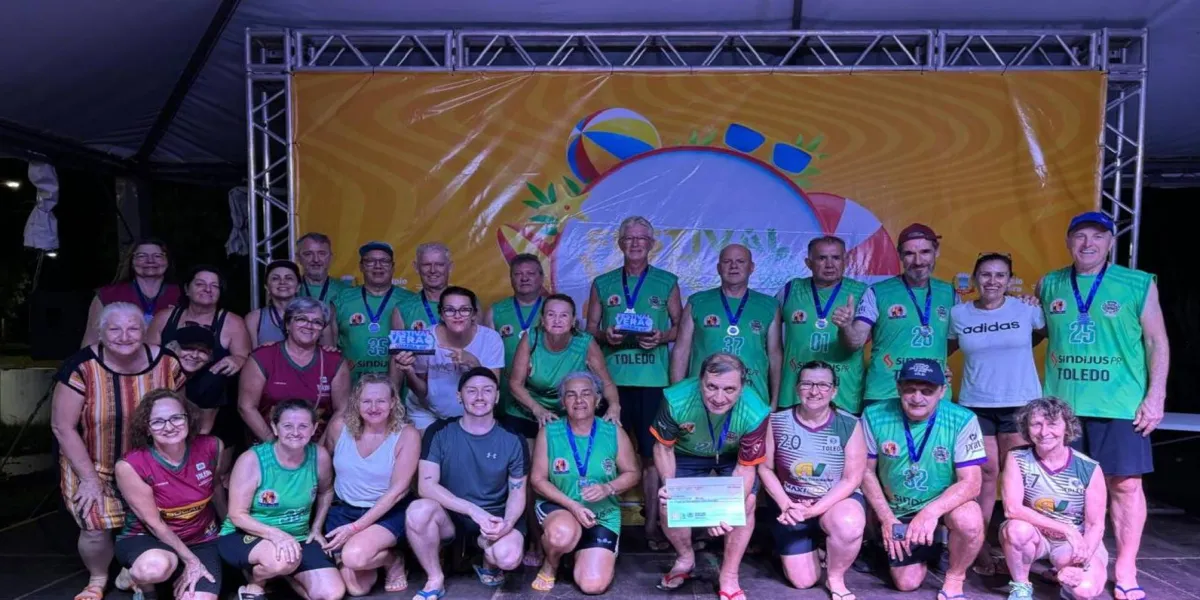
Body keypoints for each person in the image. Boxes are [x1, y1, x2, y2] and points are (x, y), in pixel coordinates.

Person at [1036, 211, 1169, 600]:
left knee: (1125, 485)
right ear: (1068, 241)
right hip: (1063, 408)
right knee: (1066, 488)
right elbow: (1035, 331)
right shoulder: (1048, 284)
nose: (1088, 243)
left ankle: (1126, 566)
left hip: (1120, 404)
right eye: (1080, 236)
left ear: (1111, 242)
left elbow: (1156, 341)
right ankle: (1077, 558)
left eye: (1098, 236)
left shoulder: (1137, 283)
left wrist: (1156, 396)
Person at [51, 302, 186, 600]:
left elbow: (179, 413)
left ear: (145, 331)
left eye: (133, 328)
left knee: (155, 519)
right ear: (100, 333)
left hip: (150, 464)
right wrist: (89, 478)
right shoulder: (81, 367)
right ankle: (98, 578)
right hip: (93, 462)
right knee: (95, 523)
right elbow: (62, 426)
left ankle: (133, 572)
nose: (124, 336)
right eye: (114, 329)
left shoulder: (167, 363)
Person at [585, 215, 682, 550]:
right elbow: (590, 328)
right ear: (620, 243)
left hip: (653, 382)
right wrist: (605, 335)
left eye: (642, 238)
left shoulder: (667, 282)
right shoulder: (603, 283)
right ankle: (601, 524)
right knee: (604, 453)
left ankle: (652, 526)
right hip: (611, 383)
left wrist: (662, 336)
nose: (636, 243)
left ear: (651, 244)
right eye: (629, 238)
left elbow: (681, 327)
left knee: (653, 456)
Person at [947, 252, 1047, 575]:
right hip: (976, 404)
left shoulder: (1027, 309)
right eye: (986, 275)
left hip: (1020, 403)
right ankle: (978, 547)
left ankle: (1021, 546)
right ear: (975, 278)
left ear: (1009, 279)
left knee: (1018, 476)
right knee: (986, 475)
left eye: (1000, 275)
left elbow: (1048, 335)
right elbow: (943, 349)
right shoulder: (959, 314)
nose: (993, 281)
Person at [860, 358, 986, 597]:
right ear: (899, 388)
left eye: (927, 391)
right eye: (910, 389)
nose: (917, 398)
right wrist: (887, 519)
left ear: (942, 391)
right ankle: (925, 544)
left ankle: (955, 577)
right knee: (906, 583)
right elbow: (864, 471)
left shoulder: (963, 419)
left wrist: (930, 513)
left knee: (969, 519)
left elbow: (972, 483)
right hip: (898, 509)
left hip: (942, 506)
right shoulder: (874, 415)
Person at [650, 352, 769, 600]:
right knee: (668, 503)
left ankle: (729, 575)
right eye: (711, 387)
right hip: (687, 454)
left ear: (742, 387)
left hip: (731, 456)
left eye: (729, 389)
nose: (718, 397)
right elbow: (663, 447)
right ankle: (685, 558)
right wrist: (671, 487)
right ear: (700, 381)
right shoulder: (676, 398)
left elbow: (746, 467)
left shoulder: (756, 410)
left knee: (746, 504)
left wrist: (727, 509)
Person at [405, 367, 529, 599]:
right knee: (418, 511)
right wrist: (473, 511)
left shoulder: (513, 438)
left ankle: (486, 557)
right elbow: (426, 486)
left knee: (508, 557)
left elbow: (517, 492)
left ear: (497, 397)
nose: (479, 397)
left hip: (495, 517)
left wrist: (508, 523)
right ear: (459, 396)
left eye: (487, 390)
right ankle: (435, 579)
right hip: (452, 516)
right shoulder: (439, 431)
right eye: (471, 391)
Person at [758, 360, 866, 599]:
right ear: (797, 388)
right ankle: (812, 546)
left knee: (848, 524)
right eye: (807, 384)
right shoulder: (776, 421)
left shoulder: (849, 424)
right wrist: (786, 504)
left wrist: (815, 510)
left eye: (823, 385)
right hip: (791, 504)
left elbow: (852, 479)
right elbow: (765, 469)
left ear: (834, 391)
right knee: (803, 582)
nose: (814, 391)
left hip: (834, 502)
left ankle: (836, 579)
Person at [217, 399, 344, 600]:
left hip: (298, 537)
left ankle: (282, 575)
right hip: (245, 534)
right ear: (275, 428)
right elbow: (237, 514)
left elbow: (326, 491)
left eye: (303, 426)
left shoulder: (319, 456)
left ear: (314, 429)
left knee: (332, 593)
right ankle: (256, 582)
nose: (296, 432)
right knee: (284, 560)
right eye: (288, 426)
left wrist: (316, 528)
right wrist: (277, 535)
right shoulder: (252, 460)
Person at [529, 371, 641, 594]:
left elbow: (633, 473)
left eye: (586, 394)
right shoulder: (549, 432)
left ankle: (577, 553)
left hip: (601, 514)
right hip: (560, 508)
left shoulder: (613, 432)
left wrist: (608, 487)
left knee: (592, 585)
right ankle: (551, 563)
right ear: (563, 402)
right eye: (571, 395)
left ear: (597, 400)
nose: (579, 400)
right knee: (561, 534)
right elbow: (537, 480)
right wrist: (573, 506)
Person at [113, 389, 227, 600]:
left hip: (201, 537)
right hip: (149, 538)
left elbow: (217, 489)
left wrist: (229, 528)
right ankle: (141, 584)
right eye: (158, 422)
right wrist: (192, 561)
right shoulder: (131, 464)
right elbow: (154, 524)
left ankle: (171, 573)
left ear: (188, 418)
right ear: (147, 428)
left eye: (176, 418)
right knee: (152, 569)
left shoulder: (212, 446)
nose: (169, 427)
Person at [835, 223, 957, 406]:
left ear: (936, 252)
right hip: (885, 394)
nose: (918, 261)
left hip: (933, 393)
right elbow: (855, 342)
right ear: (900, 255)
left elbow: (955, 340)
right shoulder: (877, 292)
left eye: (925, 252)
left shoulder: (950, 293)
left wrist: (939, 360)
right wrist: (846, 327)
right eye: (909, 254)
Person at [323, 373, 421, 596]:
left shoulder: (407, 434)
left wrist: (355, 529)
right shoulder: (339, 427)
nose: (374, 407)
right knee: (356, 589)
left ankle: (393, 559)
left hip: (387, 511)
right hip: (343, 510)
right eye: (366, 401)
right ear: (356, 403)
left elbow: (398, 491)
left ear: (393, 402)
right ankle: (371, 553)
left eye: (381, 401)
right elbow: (323, 470)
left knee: (354, 557)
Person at [1000, 397, 1108, 600]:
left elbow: (1095, 525)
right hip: (1036, 535)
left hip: (1072, 542)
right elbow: (1012, 509)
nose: (1044, 432)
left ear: (1067, 427)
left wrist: (1079, 563)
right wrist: (1066, 529)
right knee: (1016, 529)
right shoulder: (1017, 458)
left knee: (1084, 590)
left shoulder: (1089, 468)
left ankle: (1062, 579)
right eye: (1036, 424)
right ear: (1026, 428)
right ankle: (1021, 587)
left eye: (1052, 424)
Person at [671, 243, 782, 407]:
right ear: (718, 268)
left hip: (753, 397)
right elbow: (681, 351)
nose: (733, 266)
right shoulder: (697, 302)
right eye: (727, 261)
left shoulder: (769, 305)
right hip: (703, 396)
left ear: (751, 267)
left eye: (740, 261)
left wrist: (775, 401)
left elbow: (775, 355)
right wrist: (676, 396)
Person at [146, 265, 252, 432]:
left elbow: (247, 360)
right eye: (200, 284)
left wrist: (238, 360)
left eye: (214, 286)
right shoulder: (164, 317)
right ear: (187, 289)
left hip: (214, 403)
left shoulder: (233, 322)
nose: (207, 289)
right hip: (165, 397)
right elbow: (146, 357)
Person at [240, 297, 351, 443]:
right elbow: (246, 407)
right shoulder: (263, 357)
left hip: (317, 446)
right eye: (301, 319)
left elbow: (342, 410)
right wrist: (274, 445)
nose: (309, 326)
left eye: (317, 322)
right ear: (287, 324)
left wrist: (320, 449)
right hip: (268, 445)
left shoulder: (334, 361)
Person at [393, 286, 505, 432]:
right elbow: (421, 392)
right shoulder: (426, 338)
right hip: (426, 412)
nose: (457, 315)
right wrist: (408, 371)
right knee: (427, 445)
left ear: (474, 314)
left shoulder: (491, 339)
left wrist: (475, 364)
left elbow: (492, 391)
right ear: (441, 314)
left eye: (465, 310)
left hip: (471, 413)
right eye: (449, 310)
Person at [507, 293, 621, 436]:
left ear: (573, 321)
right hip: (530, 411)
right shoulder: (531, 338)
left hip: (572, 414)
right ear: (542, 319)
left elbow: (607, 383)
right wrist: (538, 410)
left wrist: (614, 406)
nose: (557, 320)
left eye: (564, 315)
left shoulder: (585, 342)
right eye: (551, 315)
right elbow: (515, 384)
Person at [778, 236, 868, 414]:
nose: (829, 264)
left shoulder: (862, 292)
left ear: (845, 261)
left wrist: (846, 327)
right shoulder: (791, 289)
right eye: (821, 258)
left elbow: (858, 342)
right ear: (808, 263)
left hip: (845, 396)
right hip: (793, 395)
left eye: (836, 258)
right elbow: (767, 334)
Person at [330, 241, 417, 383]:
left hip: (400, 387)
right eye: (370, 261)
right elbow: (329, 349)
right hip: (351, 386)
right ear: (361, 266)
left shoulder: (410, 301)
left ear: (393, 267)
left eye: (384, 261)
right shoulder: (341, 300)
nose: (378, 266)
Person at [484, 253, 546, 429]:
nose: (524, 278)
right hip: (506, 396)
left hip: (545, 396)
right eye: (518, 274)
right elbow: (485, 357)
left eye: (530, 273)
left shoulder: (553, 310)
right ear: (511, 279)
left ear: (541, 277)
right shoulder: (496, 311)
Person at [83, 238, 180, 346]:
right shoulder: (107, 295)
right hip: (118, 355)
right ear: (131, 261)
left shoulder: (182, 294)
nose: (150, 261)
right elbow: (91, 340)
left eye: (158, 256)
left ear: (167, 261)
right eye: (142, 256)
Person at [245, 259, 317, 347]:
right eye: (275, 278)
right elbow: (252, 354)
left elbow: (326, 352)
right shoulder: (254, 318)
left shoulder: (315, 315)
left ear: (298, 286)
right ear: (266, 287)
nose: (282, 282)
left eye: (289, 278)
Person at [395, 242, 454, 331]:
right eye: (426, 265)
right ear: (416, 267)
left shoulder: (469, 304)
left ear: (450, 267)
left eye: (439, 264)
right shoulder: (402, 309)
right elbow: (397, 341)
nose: (433, 270)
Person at [296, 232, 351, 304]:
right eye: (308, 254)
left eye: (322, 254)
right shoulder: (289, 290)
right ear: (298, 258)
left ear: (330, 257)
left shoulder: (346, 292)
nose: (316, 260)